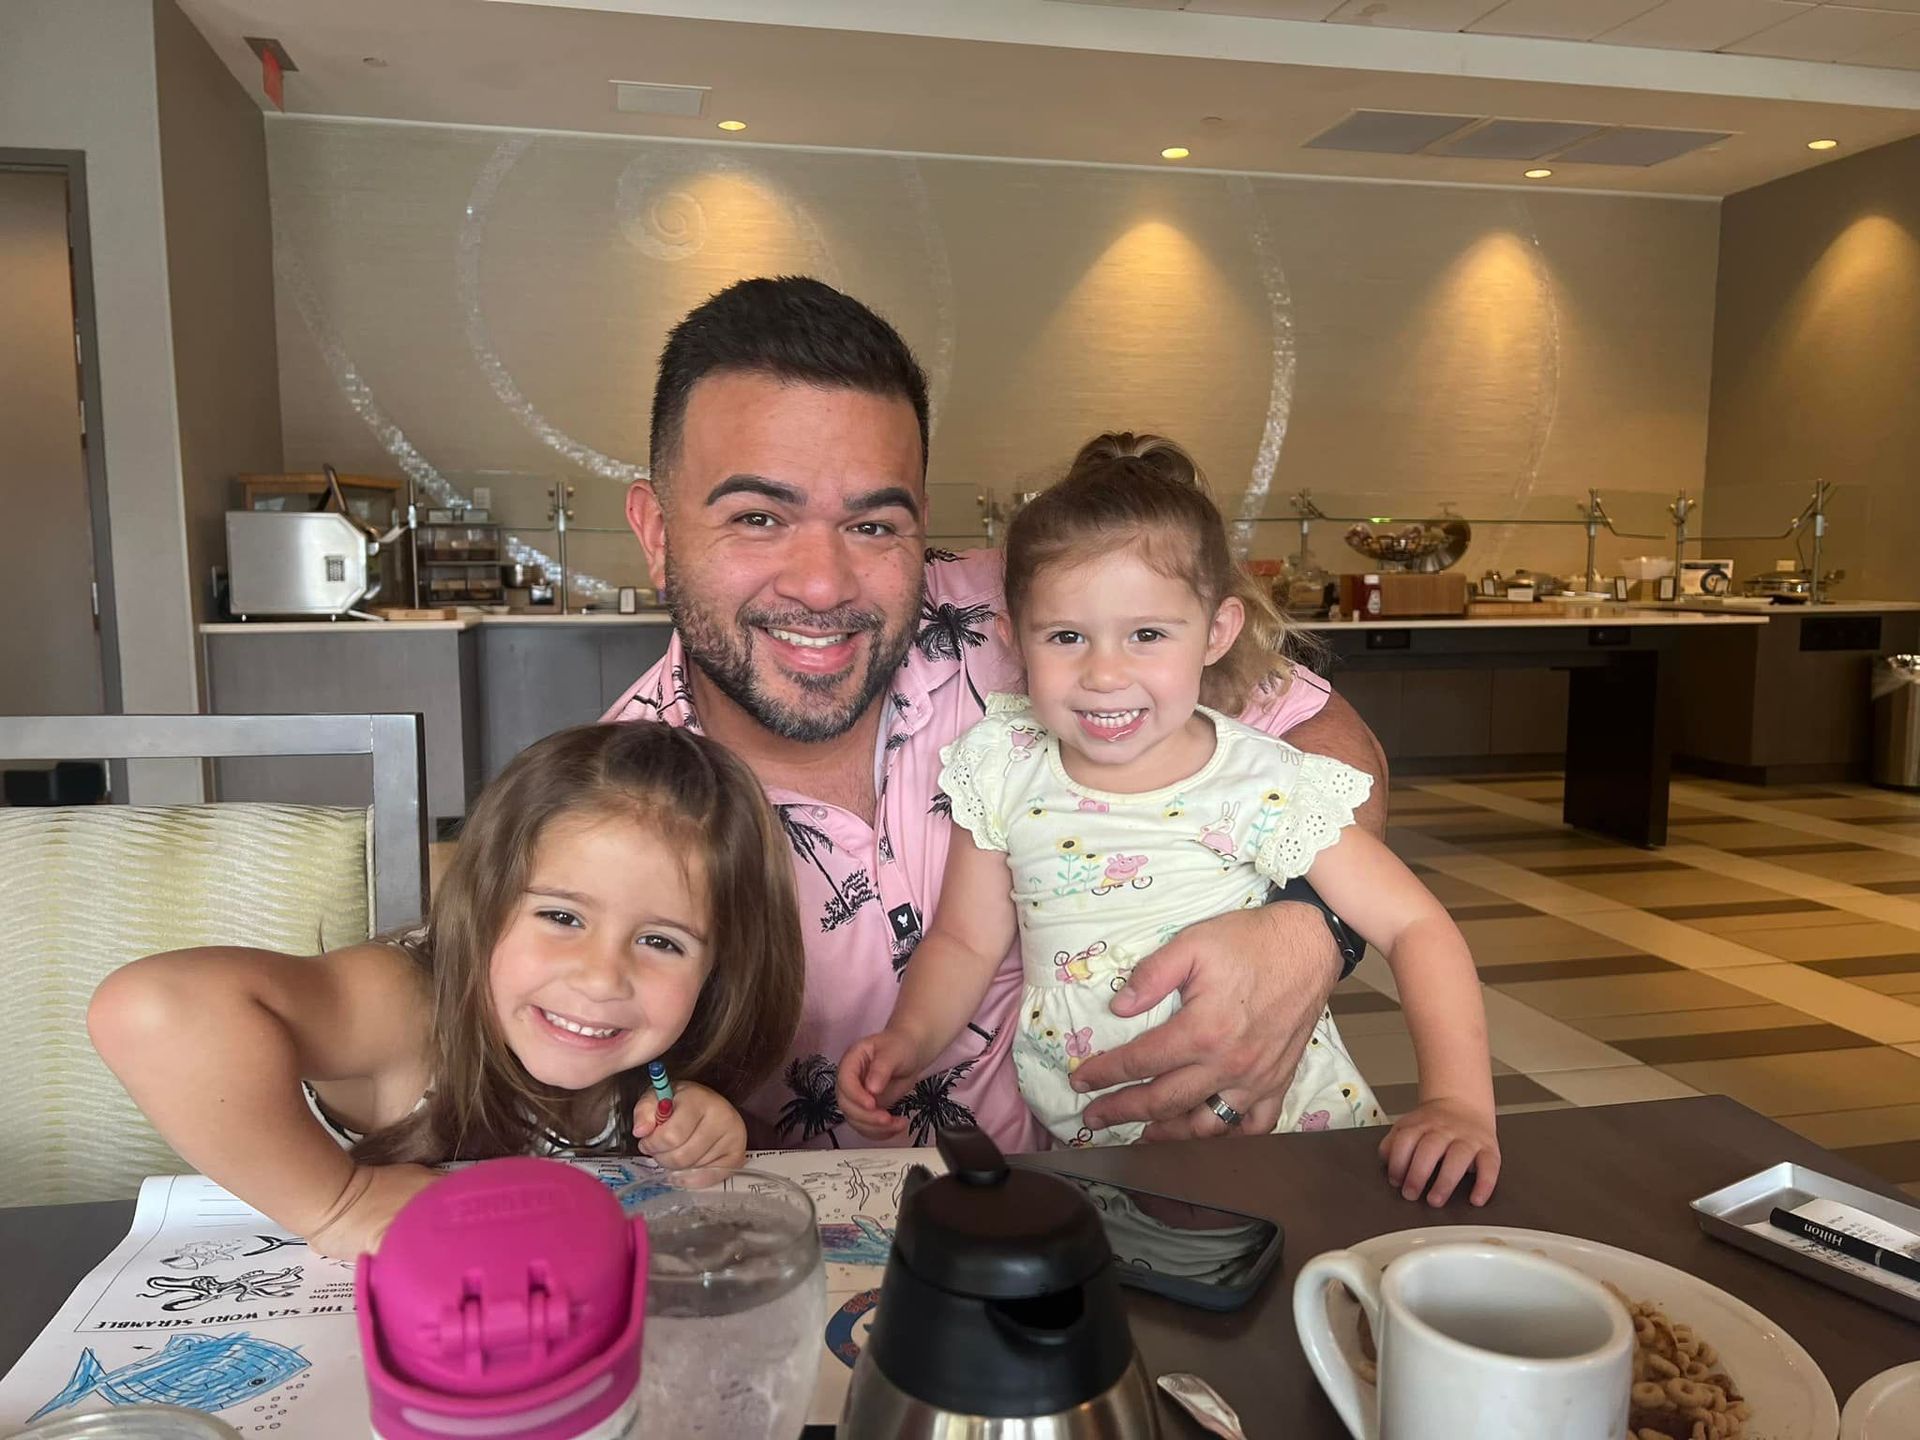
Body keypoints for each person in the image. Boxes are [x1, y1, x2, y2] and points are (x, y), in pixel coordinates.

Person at [608, 275, 1393, 1153]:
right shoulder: (617, 799)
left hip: (1157, 1197)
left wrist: (1310, 932)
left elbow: (1328, 738)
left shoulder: (1039, 613)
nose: (822, 585)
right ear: (655, 530)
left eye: (874, 526)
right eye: (758, 517)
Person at [836, 436, 1498, 1205]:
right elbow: (965, 940)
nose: (1105, 673)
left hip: (1278, 1133)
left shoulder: (1260, 780)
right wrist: (909, 1041)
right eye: (1067, 637)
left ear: (1216, 632)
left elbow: (1416, 927)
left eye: (1147, 634)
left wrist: (1457, 1102)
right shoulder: (1003, 764)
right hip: (1098, 1150)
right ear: (1016, 638)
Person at [87, 723, 805, 1256]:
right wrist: (340, 1205)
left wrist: (694, 1118)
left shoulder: (642, 1050)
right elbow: (150, 1010)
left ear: (719, 970)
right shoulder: (404, 1006)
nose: (600, 976)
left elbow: (652, 1106)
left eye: (660, 942)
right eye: (561, 916)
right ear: (485, 902)